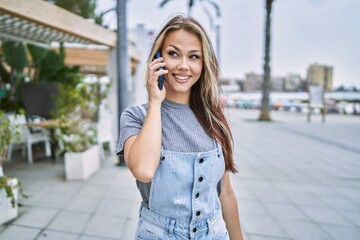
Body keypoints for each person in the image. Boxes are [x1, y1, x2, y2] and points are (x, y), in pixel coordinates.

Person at [117, 14, 243, 240]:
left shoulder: (213, 118)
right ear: (158, 58)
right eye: (173, 53)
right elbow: (143, 170)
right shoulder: (136, 117)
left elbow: (225, 193)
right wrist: (155, 101)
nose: (184, 66)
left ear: (204, 64)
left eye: (194, 57)